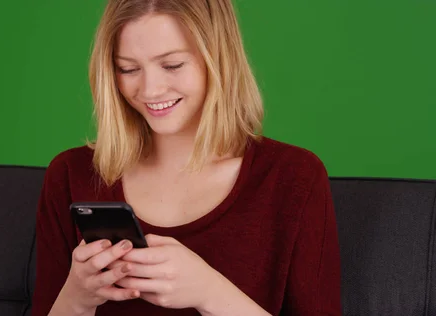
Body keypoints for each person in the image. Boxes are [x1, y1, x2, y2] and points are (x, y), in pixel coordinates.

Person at [32, 0, 342, 315]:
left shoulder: (294, 178)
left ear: (219, 59)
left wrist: (209, 291)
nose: (150, 90)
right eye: (128, 68)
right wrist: (76, 297)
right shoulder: (71, 174)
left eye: (172, 65)